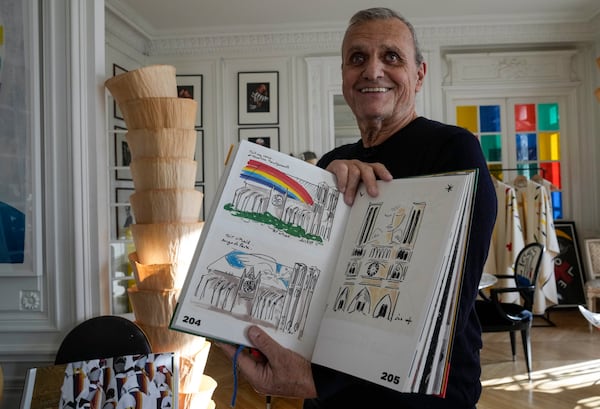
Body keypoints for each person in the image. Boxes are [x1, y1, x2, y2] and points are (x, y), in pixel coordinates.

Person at [218, 7, 496, 409]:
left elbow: (443, 303)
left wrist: (315, 380)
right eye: (358, 58)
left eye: (392, 57)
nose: (373, 70)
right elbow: (309, 280)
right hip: (329, 393)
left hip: (417, 395)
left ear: (419, 74)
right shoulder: (332, 161)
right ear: (345, 75)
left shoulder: (452, 149)